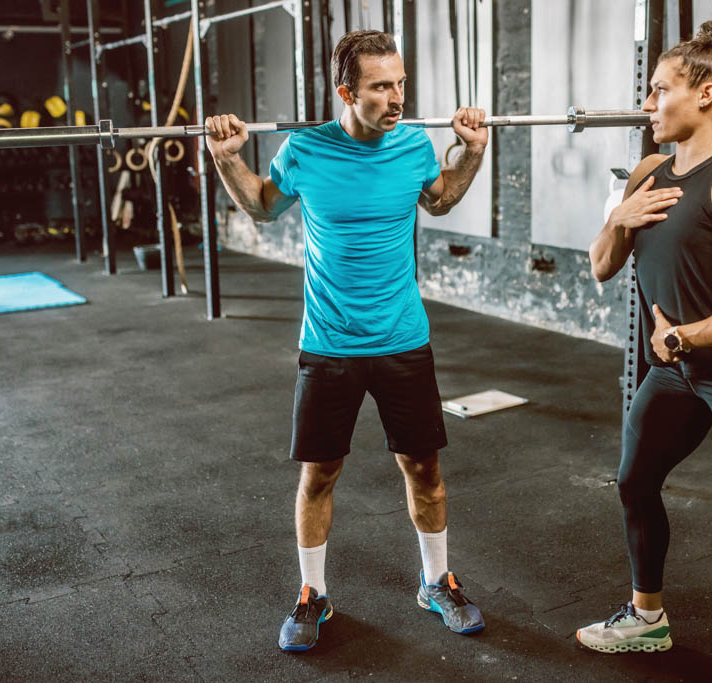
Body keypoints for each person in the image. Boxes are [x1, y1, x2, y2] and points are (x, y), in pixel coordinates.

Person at [204, 30, 489, 652]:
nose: (398, 98)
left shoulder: (414, 146)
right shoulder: (305, 149)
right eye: (382, 87)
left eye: (401, 83)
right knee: (320, 474)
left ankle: (436, 582)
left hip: (402, 338)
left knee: (425, 470)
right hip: (330, 343)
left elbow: (441, 200)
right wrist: (226, 158)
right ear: (346, 93)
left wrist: (471, 151)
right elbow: (262, 206)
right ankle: (313, 592)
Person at [579, 12, 712, 683]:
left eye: (659, 89)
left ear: (706, 94)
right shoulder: (648, 171)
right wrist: (618, 218)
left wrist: (683, 335)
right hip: (673, 373)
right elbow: (601, 265)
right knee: (634, 482)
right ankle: (647, 618)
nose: (647, 102)